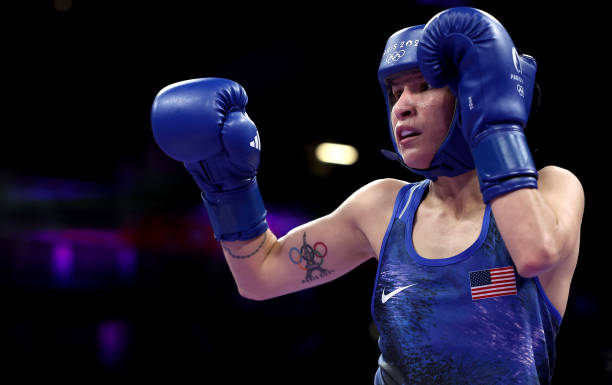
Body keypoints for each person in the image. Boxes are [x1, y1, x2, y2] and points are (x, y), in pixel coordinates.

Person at [150, 7, 584, 384]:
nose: (402, 106)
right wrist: (229, 189)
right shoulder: (382, 207)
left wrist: (495, 123)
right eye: (395, 93)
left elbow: (533, 253)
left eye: (424, 86)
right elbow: (260, 277)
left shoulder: (552, 187)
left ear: (475, 92)